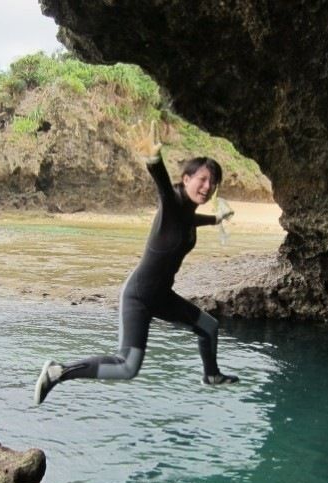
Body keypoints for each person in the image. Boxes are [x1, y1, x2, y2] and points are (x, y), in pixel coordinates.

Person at [34, 122, 239, 405]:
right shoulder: (172, 204)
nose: (207, 186)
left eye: (212, 182)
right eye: (202, 179)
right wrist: (154, 160)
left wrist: (217, 219)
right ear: (187, 178)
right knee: (127, 367)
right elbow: (164, 189)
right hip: (140, 296)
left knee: (209, 327)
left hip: (162, 296)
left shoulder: (187, 212)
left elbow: (192, 220)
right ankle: (59, 372)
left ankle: (212, 376)